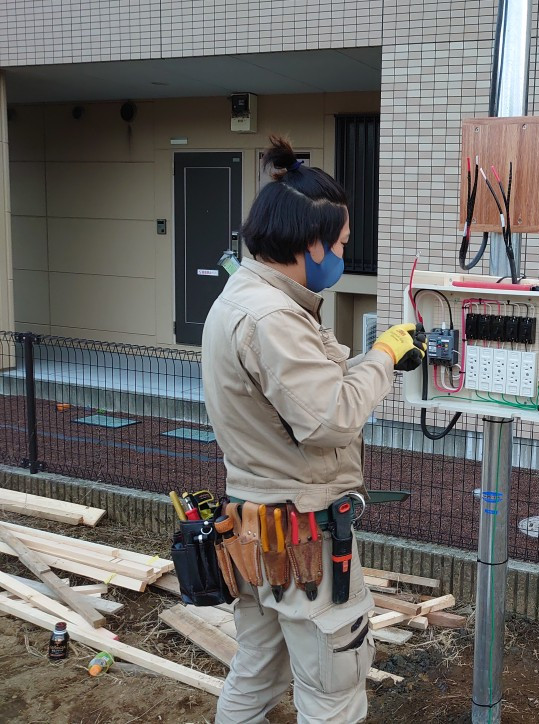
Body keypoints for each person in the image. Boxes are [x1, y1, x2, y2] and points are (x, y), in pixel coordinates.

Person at [202, 135, 425, 723]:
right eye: (343, 244)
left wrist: (367, 363)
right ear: (310, 241)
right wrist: (382, 357)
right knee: (332, 690)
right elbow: (329, 419)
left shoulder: (244, 296)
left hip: (254, 525)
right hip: (299, 535)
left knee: (260, 669)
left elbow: (301, 399)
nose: (343, 255)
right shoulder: (274, 317)